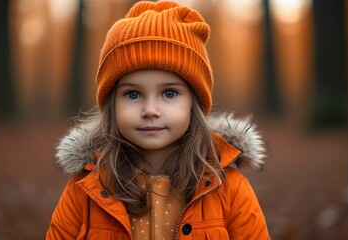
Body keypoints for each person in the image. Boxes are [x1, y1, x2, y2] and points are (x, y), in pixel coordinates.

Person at [46, 1, 270, 239]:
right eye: (133, 94)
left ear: (193, 104)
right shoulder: (85, 190)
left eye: (169, 93)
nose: (150, 110)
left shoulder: (230, 190)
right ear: (112, 105)